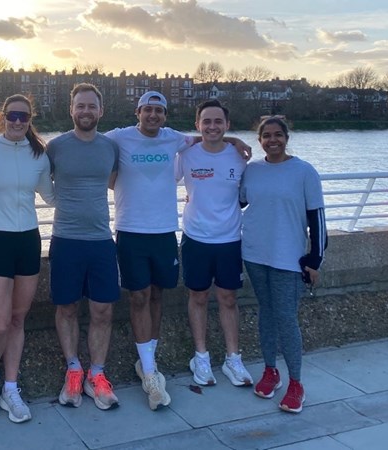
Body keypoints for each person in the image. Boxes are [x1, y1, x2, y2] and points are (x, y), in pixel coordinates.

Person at [105, 92, 250, 410]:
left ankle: (149, 361)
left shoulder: (174, 139)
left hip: (164, 231)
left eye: (159, 110)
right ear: (137, 112)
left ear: (165, 115)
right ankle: (149, 370)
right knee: (139, 297)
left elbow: (208, 137)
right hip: (130, 230)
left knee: (158, 295)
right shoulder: (119, 136)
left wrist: (236, 139)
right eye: (147, 110)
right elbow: (88, 142)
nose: (153, 115)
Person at [0, 94, 54, 423]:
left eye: (23, 116)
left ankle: (10, 386)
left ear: (31, 119)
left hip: (28, 240)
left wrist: (90, 182)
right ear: (2, 116)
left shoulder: (40, 155)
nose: (17, 121)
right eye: (12, 115)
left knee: (18, 319)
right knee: (0, 322)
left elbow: (51, 196)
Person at [240, 116, 327, 414]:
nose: (272, 140)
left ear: (287, 138)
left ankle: (296, 383)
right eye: (266, 136)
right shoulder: (252, 170)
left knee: (286, 318)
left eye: (278, 135)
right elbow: (235, 203)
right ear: (260, 140)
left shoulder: (304, 171)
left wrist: (315, 259)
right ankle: (270, 371)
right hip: (254, 253)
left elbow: (317, 219)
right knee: (266, 312)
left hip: (288, 257)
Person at [49, 83, 121, 411]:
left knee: (102, 310)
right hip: (66, 239)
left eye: (92, 106)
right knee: (66, 308)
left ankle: (97, 374)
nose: (86, 111)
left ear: (100, 110)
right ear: (71, 110)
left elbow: (115, 182)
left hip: (101, 240)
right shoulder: (56, 147)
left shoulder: (110, 147)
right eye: (80, 106)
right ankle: (74, 370)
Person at [175, 99, 253, 388]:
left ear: (227, 124)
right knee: (197, 297)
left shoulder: (239, 156)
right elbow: (160, 174)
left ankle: (233, 358)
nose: (212, 126)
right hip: (196, 238)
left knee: (228, 299)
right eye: (206, 121)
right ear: (197, 125)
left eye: (218, 121)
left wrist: (234, 141)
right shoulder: (186, 154)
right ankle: (201, 357)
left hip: (229, 239)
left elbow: (246, 195)